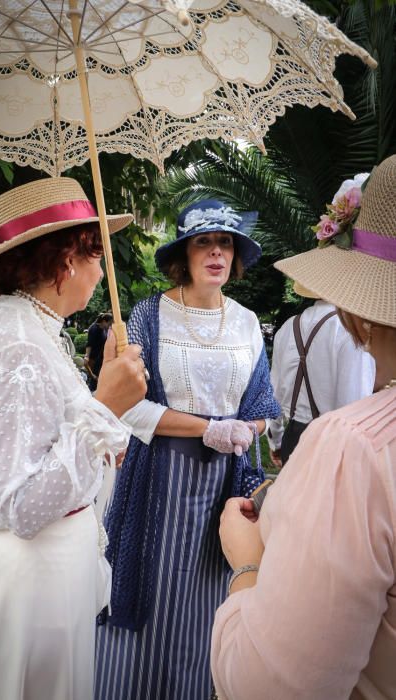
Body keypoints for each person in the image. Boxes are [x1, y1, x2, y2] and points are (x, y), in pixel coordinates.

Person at [0, 177, 148, 700]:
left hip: (46, 576)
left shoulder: (35, 330)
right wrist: (103, 407)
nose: (102, 270)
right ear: (68, 259)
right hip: (31, 585)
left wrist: (102, 397)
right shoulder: (18, 347)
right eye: (99, 254)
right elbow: (25, 504)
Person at [211, 156, 396, 700]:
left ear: (359, 310)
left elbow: (269, 687)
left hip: (309, 440)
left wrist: (247, 563)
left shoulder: (355, 446)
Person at [95, 199, 280, 700]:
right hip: (159, 480)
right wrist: (208, 429)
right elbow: (129, 409)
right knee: (151, 593)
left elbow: (265, 405)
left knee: (205, 598)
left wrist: (245, 429)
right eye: (204, 241)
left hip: (223, 484)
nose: (216, 252)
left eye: (225, 243)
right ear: (185, 254)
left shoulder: (247, 322)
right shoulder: (147, 315)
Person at [267, 280, 375, 467]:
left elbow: (273, 394)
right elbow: (356, 404)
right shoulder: (352, 331)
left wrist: (275, 441)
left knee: (292, 497)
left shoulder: (287, 328)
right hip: (333, 444)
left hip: (292, 439)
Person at [85, 313, 113, 391]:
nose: (110, 326)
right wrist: (87, 356)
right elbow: (89, 344)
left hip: (100, 359)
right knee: (94, 382)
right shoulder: (94, 329)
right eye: (109, 323)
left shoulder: (103, 329)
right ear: (104, 321)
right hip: (94, 359)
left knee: (99, 382)